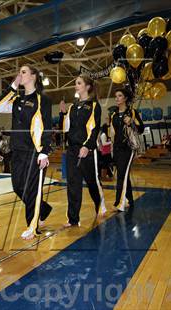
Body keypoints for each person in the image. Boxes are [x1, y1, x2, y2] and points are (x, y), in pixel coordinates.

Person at [0, 64, 53, 240]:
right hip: (17, 150)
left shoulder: (43, 99)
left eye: (24, 72)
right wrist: (13, 86)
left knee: (33, 189)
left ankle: (32, 227)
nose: (20, 75)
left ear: (34, 76)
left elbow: (47, 126)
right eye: (19, 72)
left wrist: (45, 151)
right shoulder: (16, 99)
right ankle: (43, 209)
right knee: (18, 186)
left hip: (34, 150)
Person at [59, 75, 105, 227]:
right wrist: (63, 113)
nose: (75, 86)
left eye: (79, 83)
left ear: (87, 87)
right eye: (75, 83)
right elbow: (65, 129)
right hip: (72, 151)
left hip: (87, 150)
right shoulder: (73, 106)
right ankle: (73, 219)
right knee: (73, 184)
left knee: (92, 182)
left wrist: (87, 146)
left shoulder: (93, 106)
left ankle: (99, 203)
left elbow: (94, 128)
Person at [109, 88, 144, 212]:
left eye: (119, 96)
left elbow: (141, 129)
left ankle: (119, 202)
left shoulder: (132, 113)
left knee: (121, 176)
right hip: (117, 149)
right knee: (123, 175)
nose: (117, 98)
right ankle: (130, 198)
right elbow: (113, 134)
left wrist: (131, 123)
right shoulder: (113, 114)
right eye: (116, 96)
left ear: (125, 98)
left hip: (128, 148)